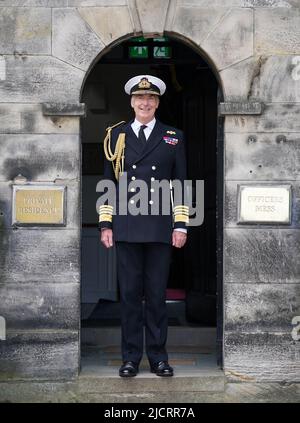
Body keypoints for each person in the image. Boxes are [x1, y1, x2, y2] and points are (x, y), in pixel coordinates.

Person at [99, 75, 189, 377]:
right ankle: (130, 359)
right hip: (125, 227)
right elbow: (108, 184)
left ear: (158, 102)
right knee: (129, 298)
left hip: (160, 228)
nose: (145, 103)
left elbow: (181, 184)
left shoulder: (172, 136)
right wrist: (105, 224)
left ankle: (158, 358)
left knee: (155, 297)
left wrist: (181, 225)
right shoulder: (116, 136)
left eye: (150, 99)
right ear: (131, 101)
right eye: (140, 98)